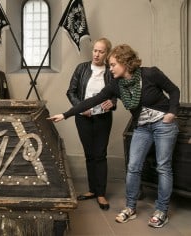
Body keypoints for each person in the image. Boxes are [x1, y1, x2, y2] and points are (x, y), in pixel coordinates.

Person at [48, 44, 180, 228]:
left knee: (163, 167)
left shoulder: (150, 74)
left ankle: (161, 211)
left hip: (163, 124)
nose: (109, 69)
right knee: (133, 166)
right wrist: (65, 115)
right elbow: (92, 101)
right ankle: (130, 207)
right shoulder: (116, 85)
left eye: (112, 65)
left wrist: (172, 112)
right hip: (142, 127)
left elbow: (174, 91)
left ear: (125, 63)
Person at [66, 38, 117, 210]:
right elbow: (71, 91)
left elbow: (117, 91)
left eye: (101, 51)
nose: (96, 54)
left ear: (107, 54)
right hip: (83, 117)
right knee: (89, 154)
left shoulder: (110, 71)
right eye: (95, 50)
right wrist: (80, 108)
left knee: (100, 154)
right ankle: (92, 190)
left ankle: (101, 193)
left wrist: (113, 102)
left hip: (103, 118)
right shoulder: (82, 68)